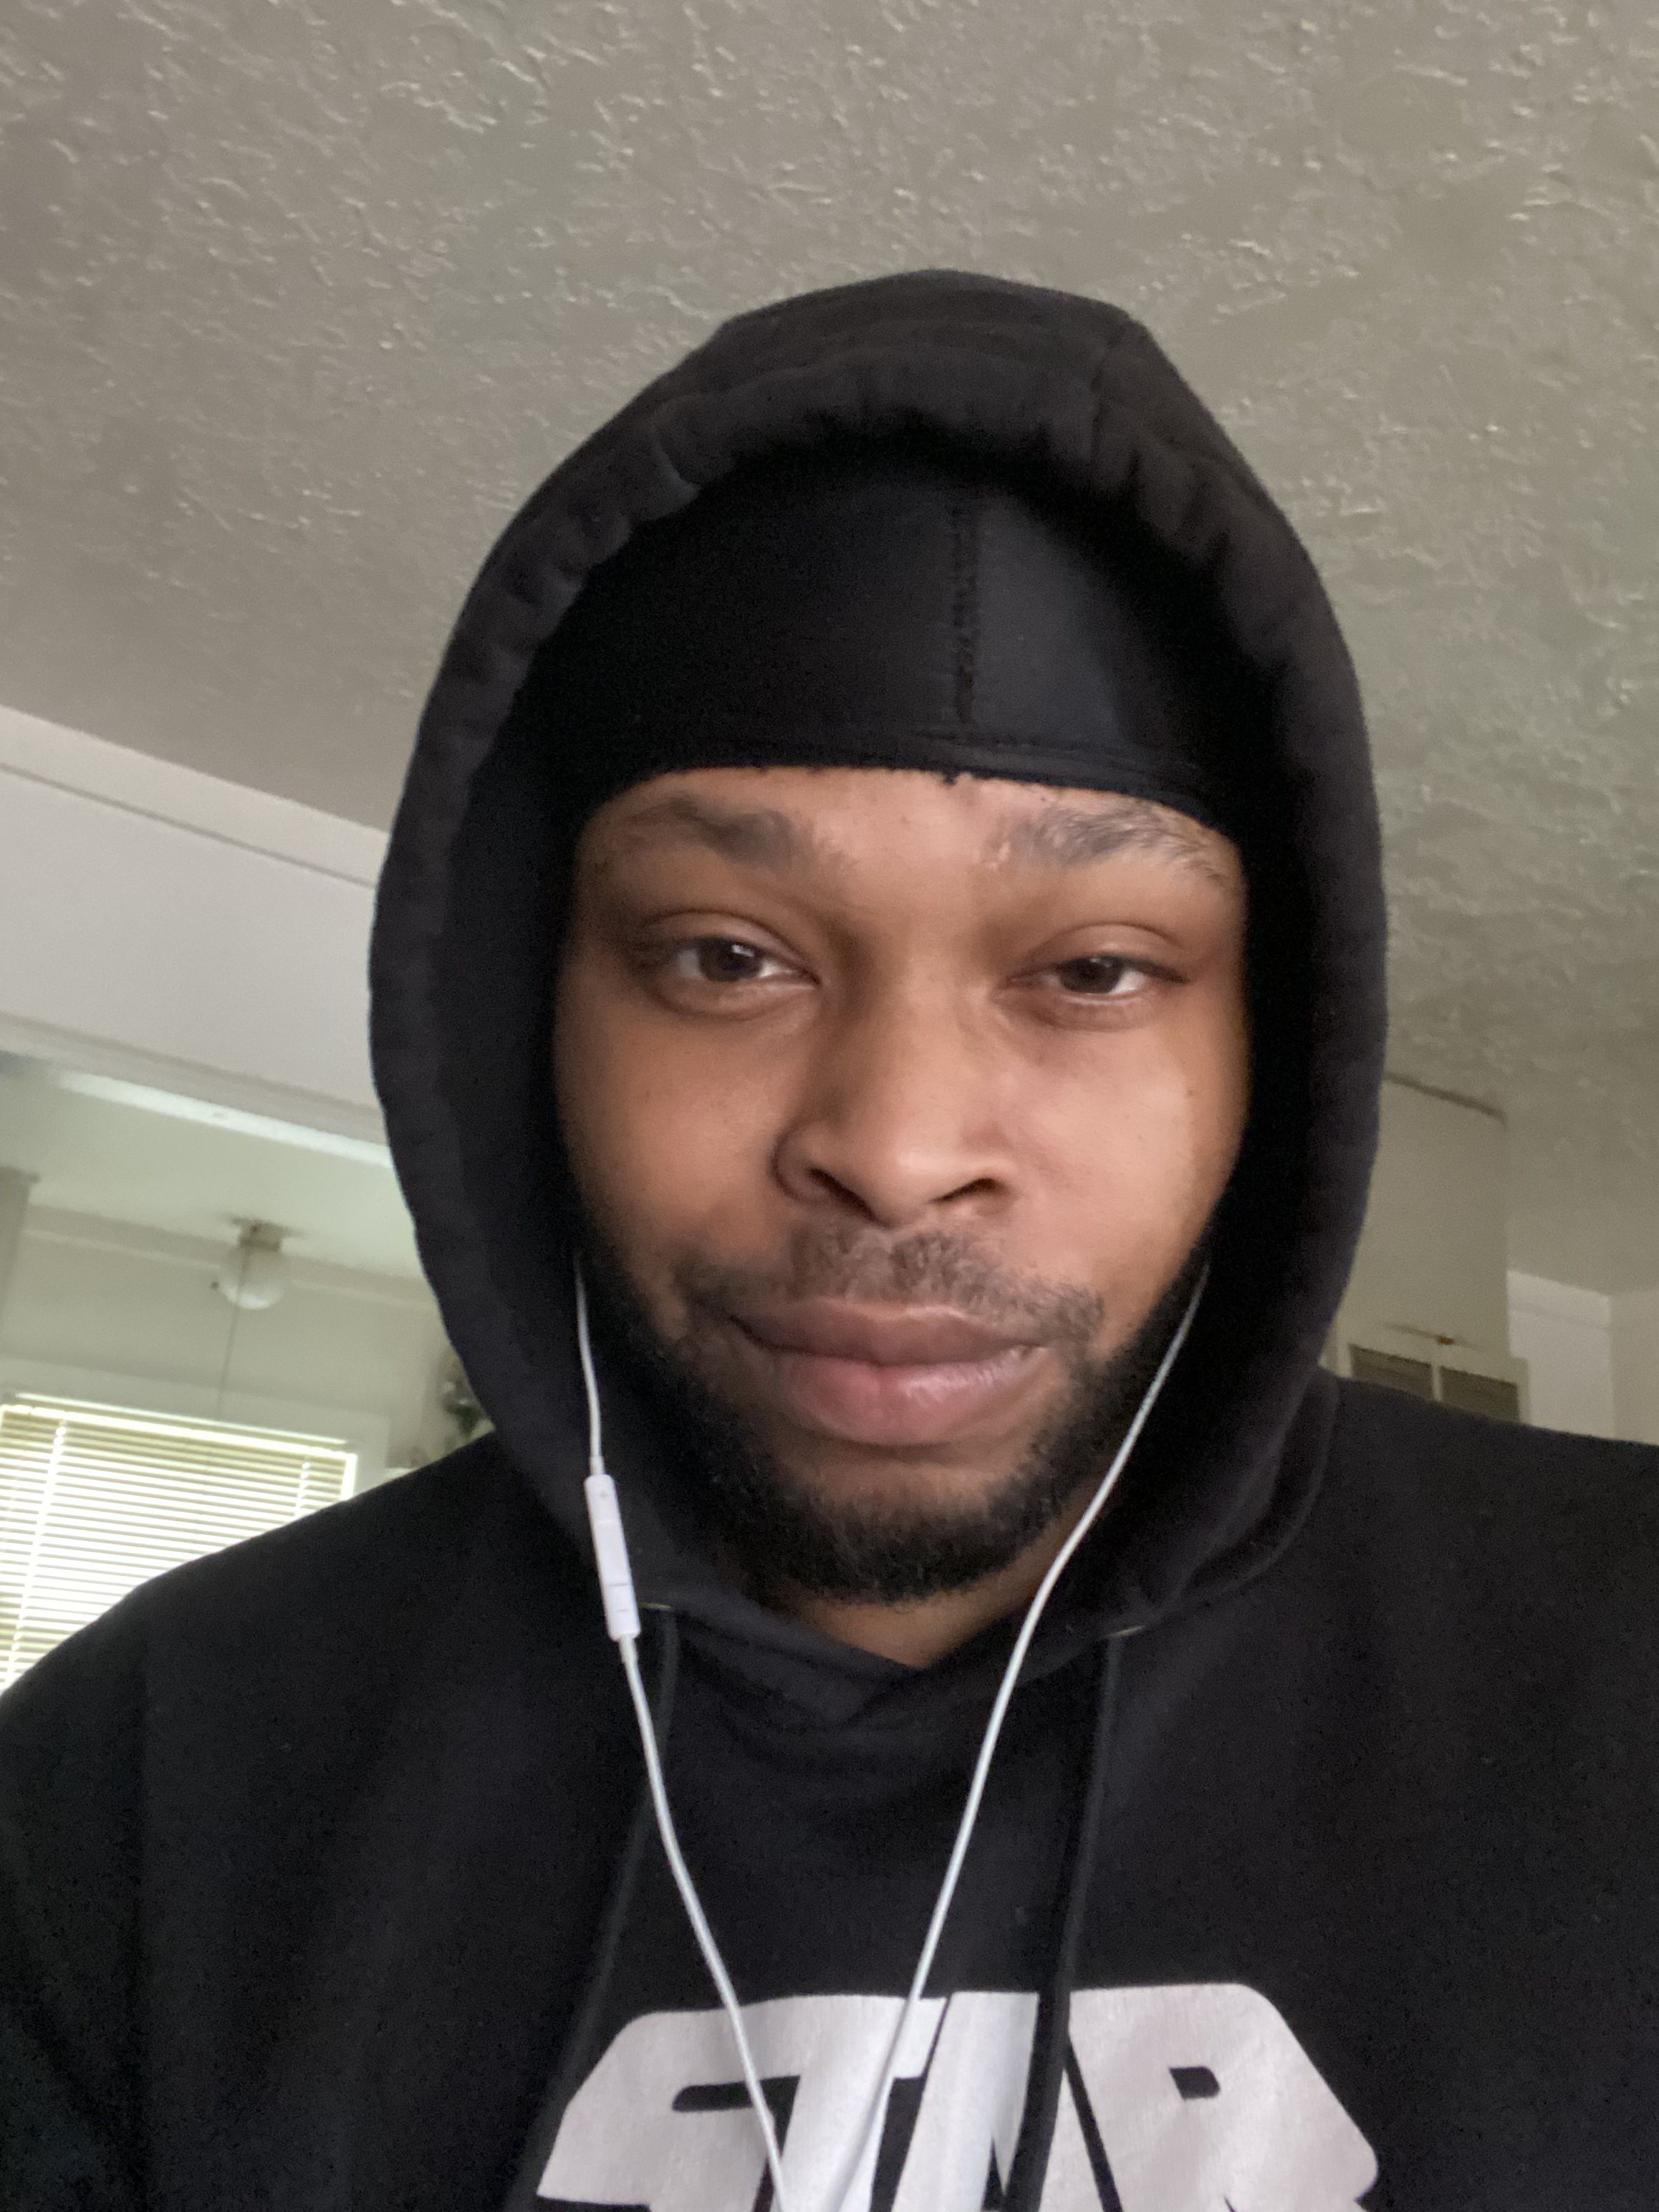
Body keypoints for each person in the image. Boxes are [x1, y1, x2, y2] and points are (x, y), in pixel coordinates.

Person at [2, 269, 1655, 2212]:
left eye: (1095, 969)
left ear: (1272, 1055)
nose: (894, 1150)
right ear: (528, 1013)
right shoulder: (133, 1786)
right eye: (725, 957)